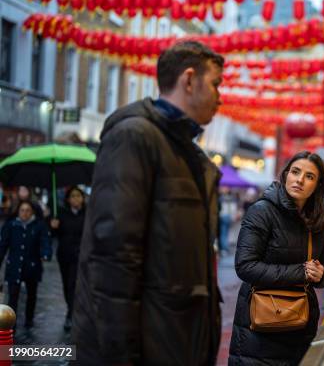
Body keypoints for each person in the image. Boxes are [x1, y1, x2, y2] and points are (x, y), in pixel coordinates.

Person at [73, 41, 224, 365]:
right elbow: (114, 256)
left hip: (173, 341)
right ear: (188, 80)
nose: (220, 97)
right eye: (215, 84)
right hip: (146, 347)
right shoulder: (134, 137)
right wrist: (122, 355)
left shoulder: (188, 153)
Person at [229, 151, 324, 365]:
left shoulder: (317, 220)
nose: (300, 180)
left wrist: (321, 274)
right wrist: (301, 272)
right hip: (261, 325)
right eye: (295, 172)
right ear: (286, 174)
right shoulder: (262, 211)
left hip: (302, 323)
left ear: (317, 185)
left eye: (309, 176)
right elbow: (245, 266)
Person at [0, 200, 52, 328]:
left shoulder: (39, 225)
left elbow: (45, 241)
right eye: (22, 210)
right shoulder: (11, 225)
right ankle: (11, 322)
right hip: (14, 266)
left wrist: (46, 253)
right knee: (13, 296)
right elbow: (3, 246)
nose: (25, 213)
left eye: (28, 210)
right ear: (18, 211)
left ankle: (29, 318)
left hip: (32, 266)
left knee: (31, 294)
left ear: (32, 211)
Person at [49, 186, 86, 331]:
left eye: (78, 196)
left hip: (82, 256)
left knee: (74, 284)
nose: (76, 199)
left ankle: (72, 314)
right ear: (68, 199)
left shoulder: (88, 213)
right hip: (65, 255)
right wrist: (53, 226)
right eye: (73, 196)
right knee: (67, 284)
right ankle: (71, 310)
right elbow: (53, 235)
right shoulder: (61, 214)